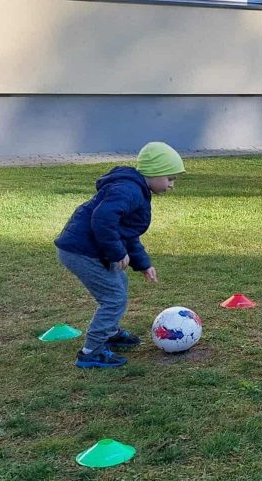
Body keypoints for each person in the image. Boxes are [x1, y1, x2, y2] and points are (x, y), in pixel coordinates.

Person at [54, 142, 185, 368]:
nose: (172, 185)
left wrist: (142, 263)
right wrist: (116, 252)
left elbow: (128, 232)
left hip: (87, 248)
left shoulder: (135, 189)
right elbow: (102, 219)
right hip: (81, 251)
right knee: (113, 298)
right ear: (153, 173)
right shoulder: (129, 190)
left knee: (119, 283)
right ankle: (91, 352)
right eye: (169, 178)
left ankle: (110, 332)